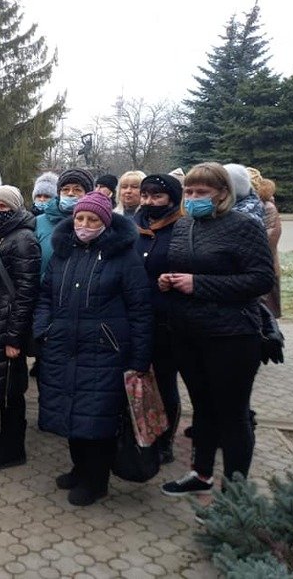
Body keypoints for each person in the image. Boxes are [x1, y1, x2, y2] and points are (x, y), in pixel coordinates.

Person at [159, 163, 274, 497]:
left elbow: (261, 280)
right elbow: (182, 266)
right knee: (203, 408)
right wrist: (169, 280)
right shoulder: (184, 226)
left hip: (232, 336)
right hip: (188, 332)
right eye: (189, 192)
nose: (193, 198)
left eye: (202, 193)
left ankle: (234, 493)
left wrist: (199, 284)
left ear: (223, 194)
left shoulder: (244, 227)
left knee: (233, 414)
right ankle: (201, 473)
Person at [33, 191, 152, 506]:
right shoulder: (63, 252)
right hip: (63, 345)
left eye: (93, 219)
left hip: (105, 350)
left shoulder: (123, 256)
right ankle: (79, 468)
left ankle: (96, 480)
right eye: (80, 218)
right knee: (71, 411)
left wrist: (140, 356)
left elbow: (140, 308)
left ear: (106, 222)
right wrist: (42, 329)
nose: (84, 224)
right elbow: (45, 294)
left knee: (97, 418)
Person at [0, 186, 40, 469]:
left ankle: (15, 448)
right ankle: (4, 436)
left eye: (4, 206)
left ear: (15, 207)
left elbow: (26, 293)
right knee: (0, 387)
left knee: (12, 389)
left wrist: (15, 337)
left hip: (9, 327)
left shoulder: (24, 239)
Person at [134, 174, 184, 464]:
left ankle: (165, 440)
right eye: (145, 196)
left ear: (172, 200)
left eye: (157, 197)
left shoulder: (181, 228)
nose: (149, 202)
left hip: (166, 317)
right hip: (134, 315)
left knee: (164, 381)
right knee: (137, 379)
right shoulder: (134, 226)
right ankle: (141, 432)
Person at [35, 167, 94, 280]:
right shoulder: (39, 222)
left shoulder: (95, 223)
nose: (70, 193)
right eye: (65, 189)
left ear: (88, 194)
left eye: (77, 189)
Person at [257, 177, 282, 318]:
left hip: (267, 264)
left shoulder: (267, 207)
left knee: (267, 309)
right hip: (267, 264)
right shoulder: (262, 205)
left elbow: (269, 237)